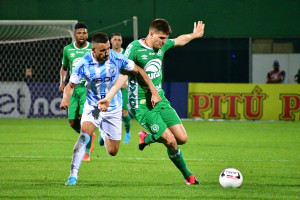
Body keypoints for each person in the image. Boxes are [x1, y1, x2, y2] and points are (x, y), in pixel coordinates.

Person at [99, 19, 205, 185]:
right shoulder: (134, 49)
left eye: (165, 39)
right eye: (161, 38)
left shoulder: (161, 46)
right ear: (151, 34)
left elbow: (179, 40)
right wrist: (110, 97)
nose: (164, 42)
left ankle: (147, 138)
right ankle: (188, 176)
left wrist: (195, 35)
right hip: (142, 105)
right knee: (170, 141)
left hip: (160, 99)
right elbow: (123, 75)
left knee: (182, 138)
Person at [60, 32, 161, 186]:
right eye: (103, 50)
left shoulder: (116, 57)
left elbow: (139, 70)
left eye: (108, 49)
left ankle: (103, 130)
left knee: (113, 151)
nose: (107, 52)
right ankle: (73, 176)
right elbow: (70, 86)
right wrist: (66, 98)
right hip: (94, 108)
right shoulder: (83, 63)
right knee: (84, 135)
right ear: (93, 50)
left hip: (113, 109)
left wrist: (154, 91)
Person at [59, 22, 96, 162]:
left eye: (85, 33)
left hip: (87, 88)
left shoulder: (92, 48)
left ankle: (86, 152)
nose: (82, 35)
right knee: (72, 122)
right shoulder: (68, 49)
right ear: (74, 35)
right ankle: (90, 135)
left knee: (84, 120)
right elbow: (64, 67)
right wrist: (62, 82)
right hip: (73, 88)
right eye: (79, 33)